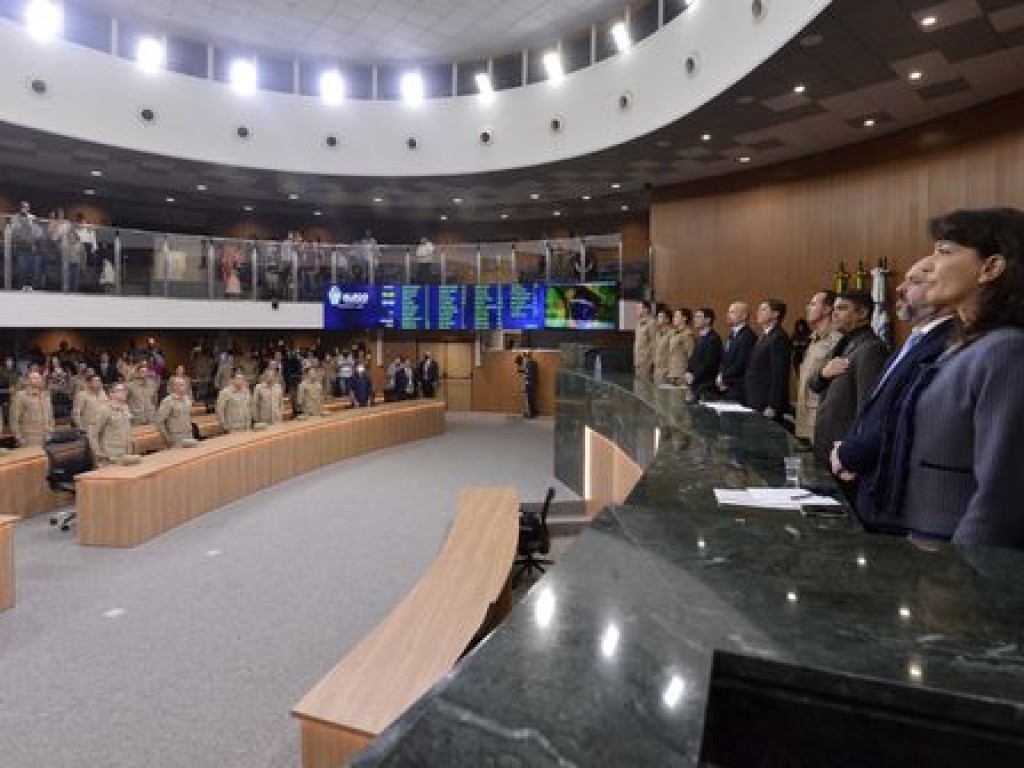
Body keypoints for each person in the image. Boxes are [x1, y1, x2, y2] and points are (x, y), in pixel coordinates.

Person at [888, 208, 1024, 547]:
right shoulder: (964, 345)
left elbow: (1001, 492)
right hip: (924, 535)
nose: (928, 264)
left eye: (944, 251)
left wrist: (966, 572)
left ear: (990, 267)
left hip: (957, 551)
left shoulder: (1004, 350)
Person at [830, 258, 956, 529]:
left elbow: (901, 413)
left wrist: (850, 453)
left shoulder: (948, 342)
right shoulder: (913, 341)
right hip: (871, 481)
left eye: (914, 282)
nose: (898, 289)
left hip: (900, 491)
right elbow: (874, 407)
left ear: (945, 292)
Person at [809, 290, 889, 466]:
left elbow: (867, 410)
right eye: (834, 309)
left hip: (845, 452)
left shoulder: (871, 349)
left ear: (862, 313)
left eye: (842, 308)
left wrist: (854, 453)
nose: (834, 314)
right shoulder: (845, 344)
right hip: (829, 447)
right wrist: (823, 374)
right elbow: (814, 383)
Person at [794, 291, 841, 443]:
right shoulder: (814, 339)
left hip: (821, 417)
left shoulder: (837, 340)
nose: (808, 307)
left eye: (813, 304)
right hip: (804, 415)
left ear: (827, 309)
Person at [744, 299, 792, 422]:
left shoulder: (779, 337)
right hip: (755, 398)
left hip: (766, 404)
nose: (758, 312)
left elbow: (779, 374)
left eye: (763, 309)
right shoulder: (764, 336)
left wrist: (773, 405)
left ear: (775, 314)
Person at [716, 301, 757, 404]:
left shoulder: (748, 336)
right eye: (729, 312)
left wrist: (724, 378)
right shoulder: (732, 334)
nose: (728, 315)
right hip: (726, 386)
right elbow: (723, 359)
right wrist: (720, 375)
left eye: (732, 312)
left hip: (738, 388)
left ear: (744, 316)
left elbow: (741, 363)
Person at [90, 383, 134, 463]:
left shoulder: (125, 407)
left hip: (126, 451)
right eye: (120, 390)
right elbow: (93, 433)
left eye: (125, 390)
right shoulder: (104, 410)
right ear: (111, 394)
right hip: (111, 454)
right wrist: (98, 453)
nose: (124, 392)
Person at [685, 307, 723, 401]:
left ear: (708, 320)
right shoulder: (701, 337)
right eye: (695, 317)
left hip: (705, 385)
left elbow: (709, 363)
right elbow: (693, 358)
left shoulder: (713, 338)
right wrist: (688, 371)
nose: (695, 320)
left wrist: (694, 376)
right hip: (696, 383)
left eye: (698, 317)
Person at [10, 370, 54, 447]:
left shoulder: (46, 395)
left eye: (38, 378)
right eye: (34, 378)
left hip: (45, 437)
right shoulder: (21, 396)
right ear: (28, 381)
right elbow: (14, 419)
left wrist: (51, 430)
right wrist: (19, 438)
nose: (37, 380)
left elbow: (50, 415)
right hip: (28, 438)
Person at [155, 376, 194, 447]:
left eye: (184, 385)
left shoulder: (187, 399)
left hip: (188, 434)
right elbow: (159, 421)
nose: (185, 387)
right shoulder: (168, 401)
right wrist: (167, 438)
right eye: (182, 385)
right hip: (176, 437)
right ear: (175, 387)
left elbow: (189, 417)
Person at [71, 374, 108, 439]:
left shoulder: (103, 393)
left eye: (99, 381)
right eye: (96, 381)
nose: (98, 383)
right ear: (89, 383)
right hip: (89, 428)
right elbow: (76, 414)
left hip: (103, 427)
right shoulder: (81, 395)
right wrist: (81, 428)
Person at [666, 308, 695, 386]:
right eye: (674, 316)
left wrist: (688, 373)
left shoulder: (687, 334)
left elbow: (691, 354)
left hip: (681, 374)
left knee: (678, 397)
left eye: (677, 316)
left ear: (684, 318)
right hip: (672, 372)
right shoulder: (674, 333)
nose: (674, 319)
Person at [633, 301, 657, 380]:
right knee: (638, 388)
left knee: (645, 388)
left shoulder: (652, 323)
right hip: (638, 361)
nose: (636, 310)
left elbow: (654, 344)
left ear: (646, 310)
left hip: (646, 363)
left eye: (638, 308)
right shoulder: (638, 323)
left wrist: (651, 363)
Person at [652, 308, 672, 384]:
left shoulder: (672, 333)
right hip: (657, 370)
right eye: (658, 317)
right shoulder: (657, 333)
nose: (658, 319)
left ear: (667, 319)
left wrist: (668, 369)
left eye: (660, 317)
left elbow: (672, 352)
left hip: (666, 370)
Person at [522, 350, 539, 418]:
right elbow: (534, 374)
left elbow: (530, 374)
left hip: (529, 383)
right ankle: (533, 412)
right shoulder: (534, 363)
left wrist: (526, 376)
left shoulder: (529, 364)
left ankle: (531, 413)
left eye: (525, 357)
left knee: (529, 399)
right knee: (532, 398)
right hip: (533, 383)